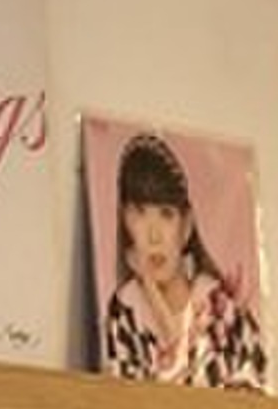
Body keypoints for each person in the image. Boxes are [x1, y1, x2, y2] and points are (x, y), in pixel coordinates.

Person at [98, 132, 267, 392]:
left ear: (186, 226)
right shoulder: (125, 312)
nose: (154, 236)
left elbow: (256, 391)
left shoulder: (221, 308)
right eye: (140, 213)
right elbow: (135, 401)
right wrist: (151, 292)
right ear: (124, 220)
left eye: (166, 215)